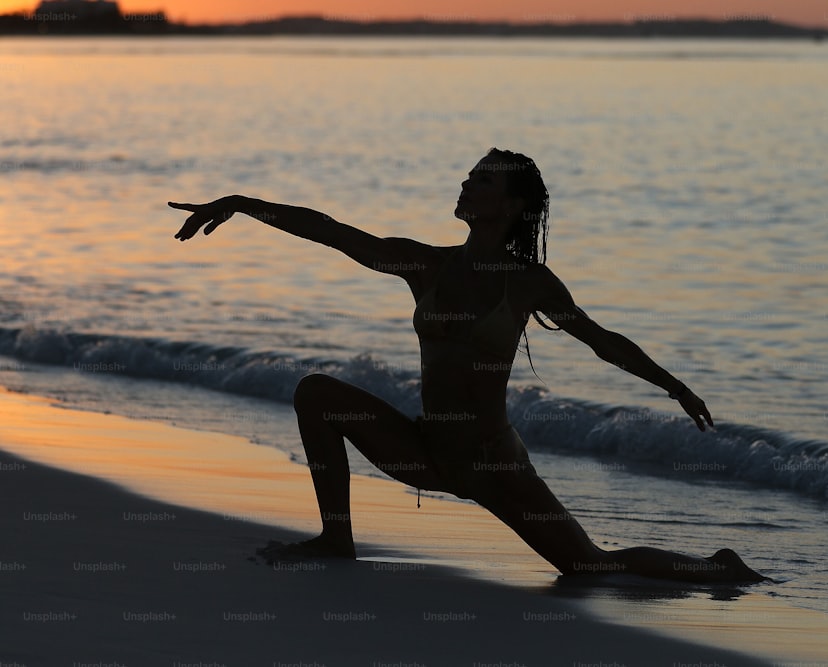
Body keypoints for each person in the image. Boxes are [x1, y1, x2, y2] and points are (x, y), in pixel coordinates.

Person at [170, 148, 766, 583]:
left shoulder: (528, 281)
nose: (465, 183)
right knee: (316, 393)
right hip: (427, 452)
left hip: (493, 466)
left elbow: (602, 340)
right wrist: (243, 204)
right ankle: (336, 538)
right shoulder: (425, 266)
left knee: (591, 567)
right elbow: (332, 232)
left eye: (480, 179)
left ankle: (717, 568)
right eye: (469, 174)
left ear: (510, 205)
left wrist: (674, 386)